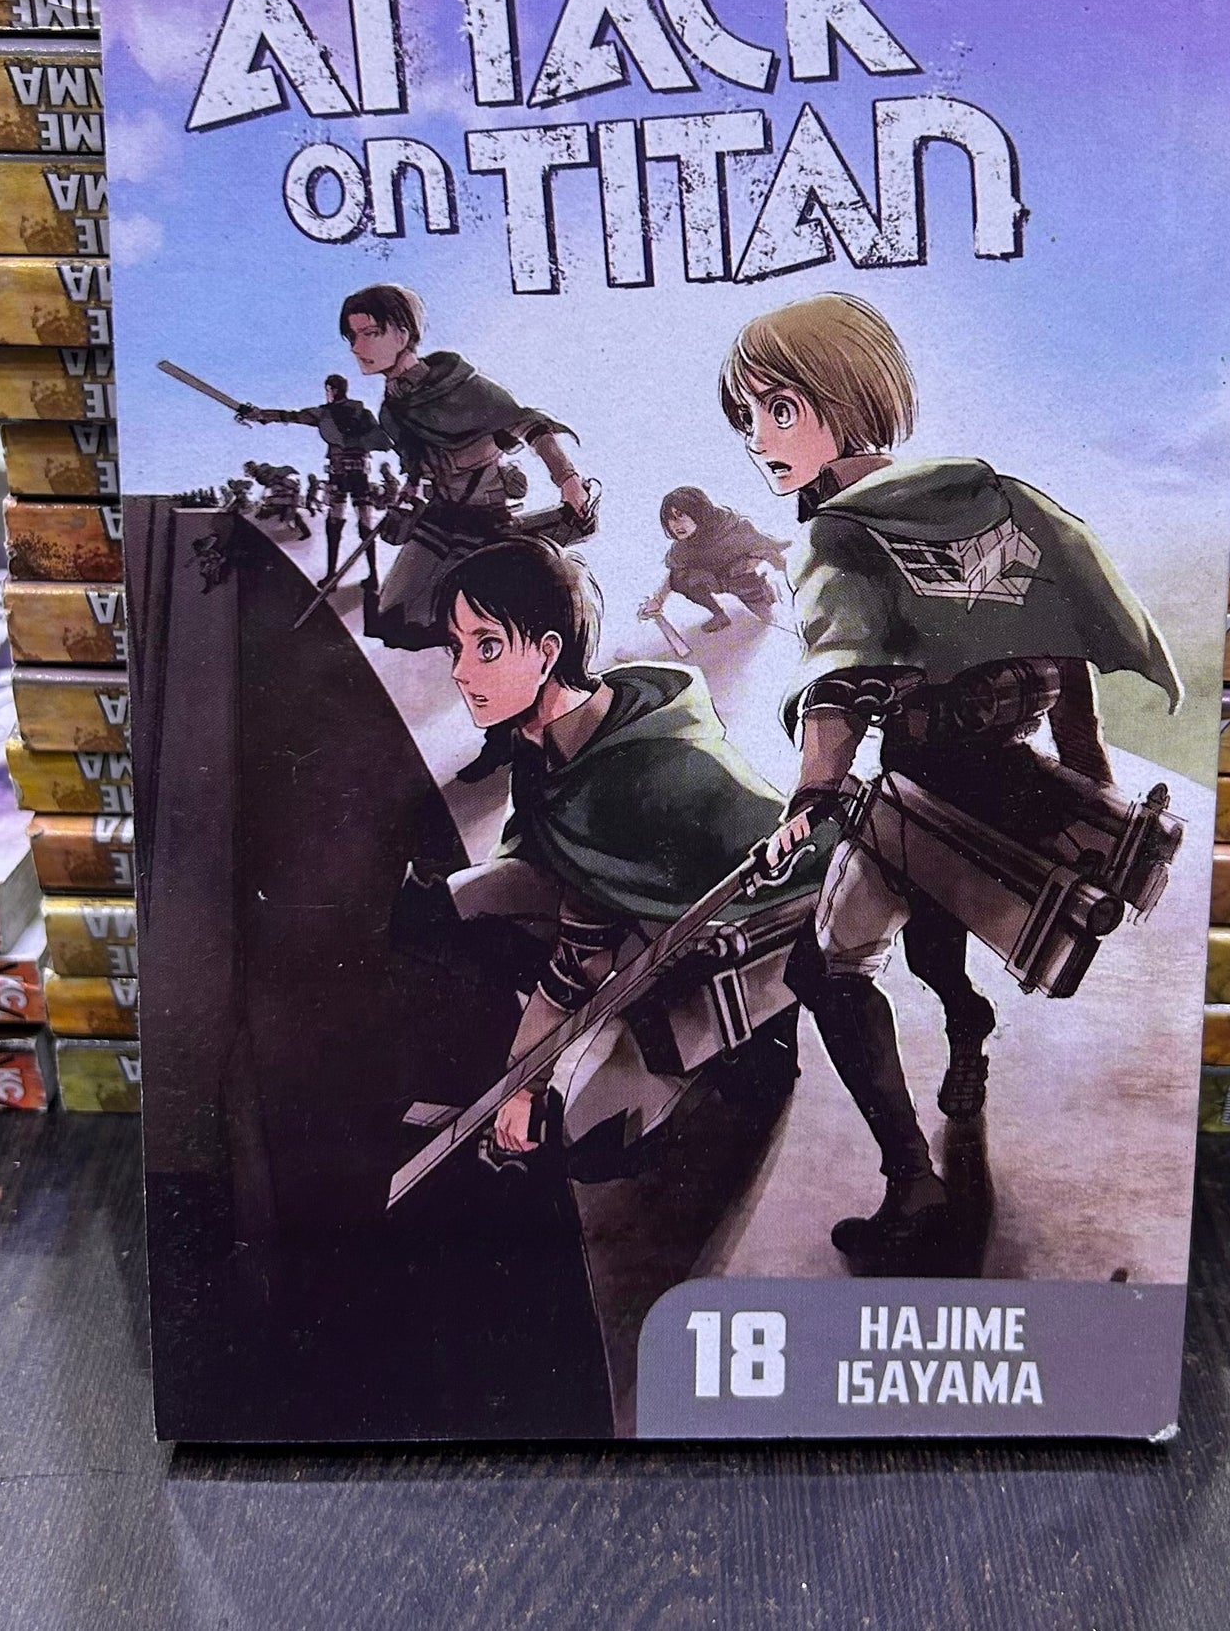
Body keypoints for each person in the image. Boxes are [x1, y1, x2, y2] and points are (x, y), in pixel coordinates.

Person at [719, 292, 1181, 1264]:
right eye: (747, 414)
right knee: (932, 950)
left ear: (849, 397)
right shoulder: (994, 498)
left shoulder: (838, 535)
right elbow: (1065, 643)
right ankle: (966, 1027)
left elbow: (840, 684)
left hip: (932, 790)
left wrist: (810, 798)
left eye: (779, 408)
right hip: (990, 783)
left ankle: (913, 1184)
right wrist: (1087, 773)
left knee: (824, 969)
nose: (757, 437)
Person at [390, 537, 816, 1163]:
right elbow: (539, 854)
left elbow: (579, 962)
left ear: (548, 653)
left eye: (487, 647)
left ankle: (745, 1048)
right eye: (458, 648)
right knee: (439, 912)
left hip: (751, 930)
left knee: (577, 1137)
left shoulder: (624, 782)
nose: (461, 672)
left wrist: (524, 1086)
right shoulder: (551, 726)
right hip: (639, 906)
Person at [341, 285, 594, 656]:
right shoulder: (391, 410)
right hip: (439, 518)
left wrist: (568, 479)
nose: (356, 347)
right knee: (394, 622)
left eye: (369, 333)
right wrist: (405, 501)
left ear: (403, 334)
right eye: (352, 337)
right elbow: (416, 467)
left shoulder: (461, 385)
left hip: (485, 519)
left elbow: (530, 424)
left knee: (470, 615)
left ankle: (533, 541)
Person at [235, 374, 393, 585]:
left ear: (331, 390)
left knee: (338, 522)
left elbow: (291, 416)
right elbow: (382, 440)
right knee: (360, 522)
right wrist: (261, 415)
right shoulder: (361, 413)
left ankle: (339, 576)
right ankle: (368, 576)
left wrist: (260, 414)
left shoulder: (328, 413)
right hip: (356, 472)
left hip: (341, 472)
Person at [639, 486, 788, 635]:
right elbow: (674, 574)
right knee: (679, 579)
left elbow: (768, 547)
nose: (676, 524)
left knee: (771, 620)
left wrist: (772, 566)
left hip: (741, 578)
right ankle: (719, 615)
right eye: (670, 519)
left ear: (697, 512)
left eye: (680, 515)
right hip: (715, 580)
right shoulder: (682, 547)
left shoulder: (731, 527)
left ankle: (766, 594)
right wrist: (657, 601)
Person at [244, 461, 312, 540]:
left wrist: (273, 497)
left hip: (287, 491)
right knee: (284, 510)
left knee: (285, 511)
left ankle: (301, 532)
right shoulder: (265, 474)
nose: (250, 475)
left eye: (249, 472)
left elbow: (277, 484)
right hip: (286, 491)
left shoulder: (265, 475)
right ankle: (302, 531)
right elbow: (271, 486)